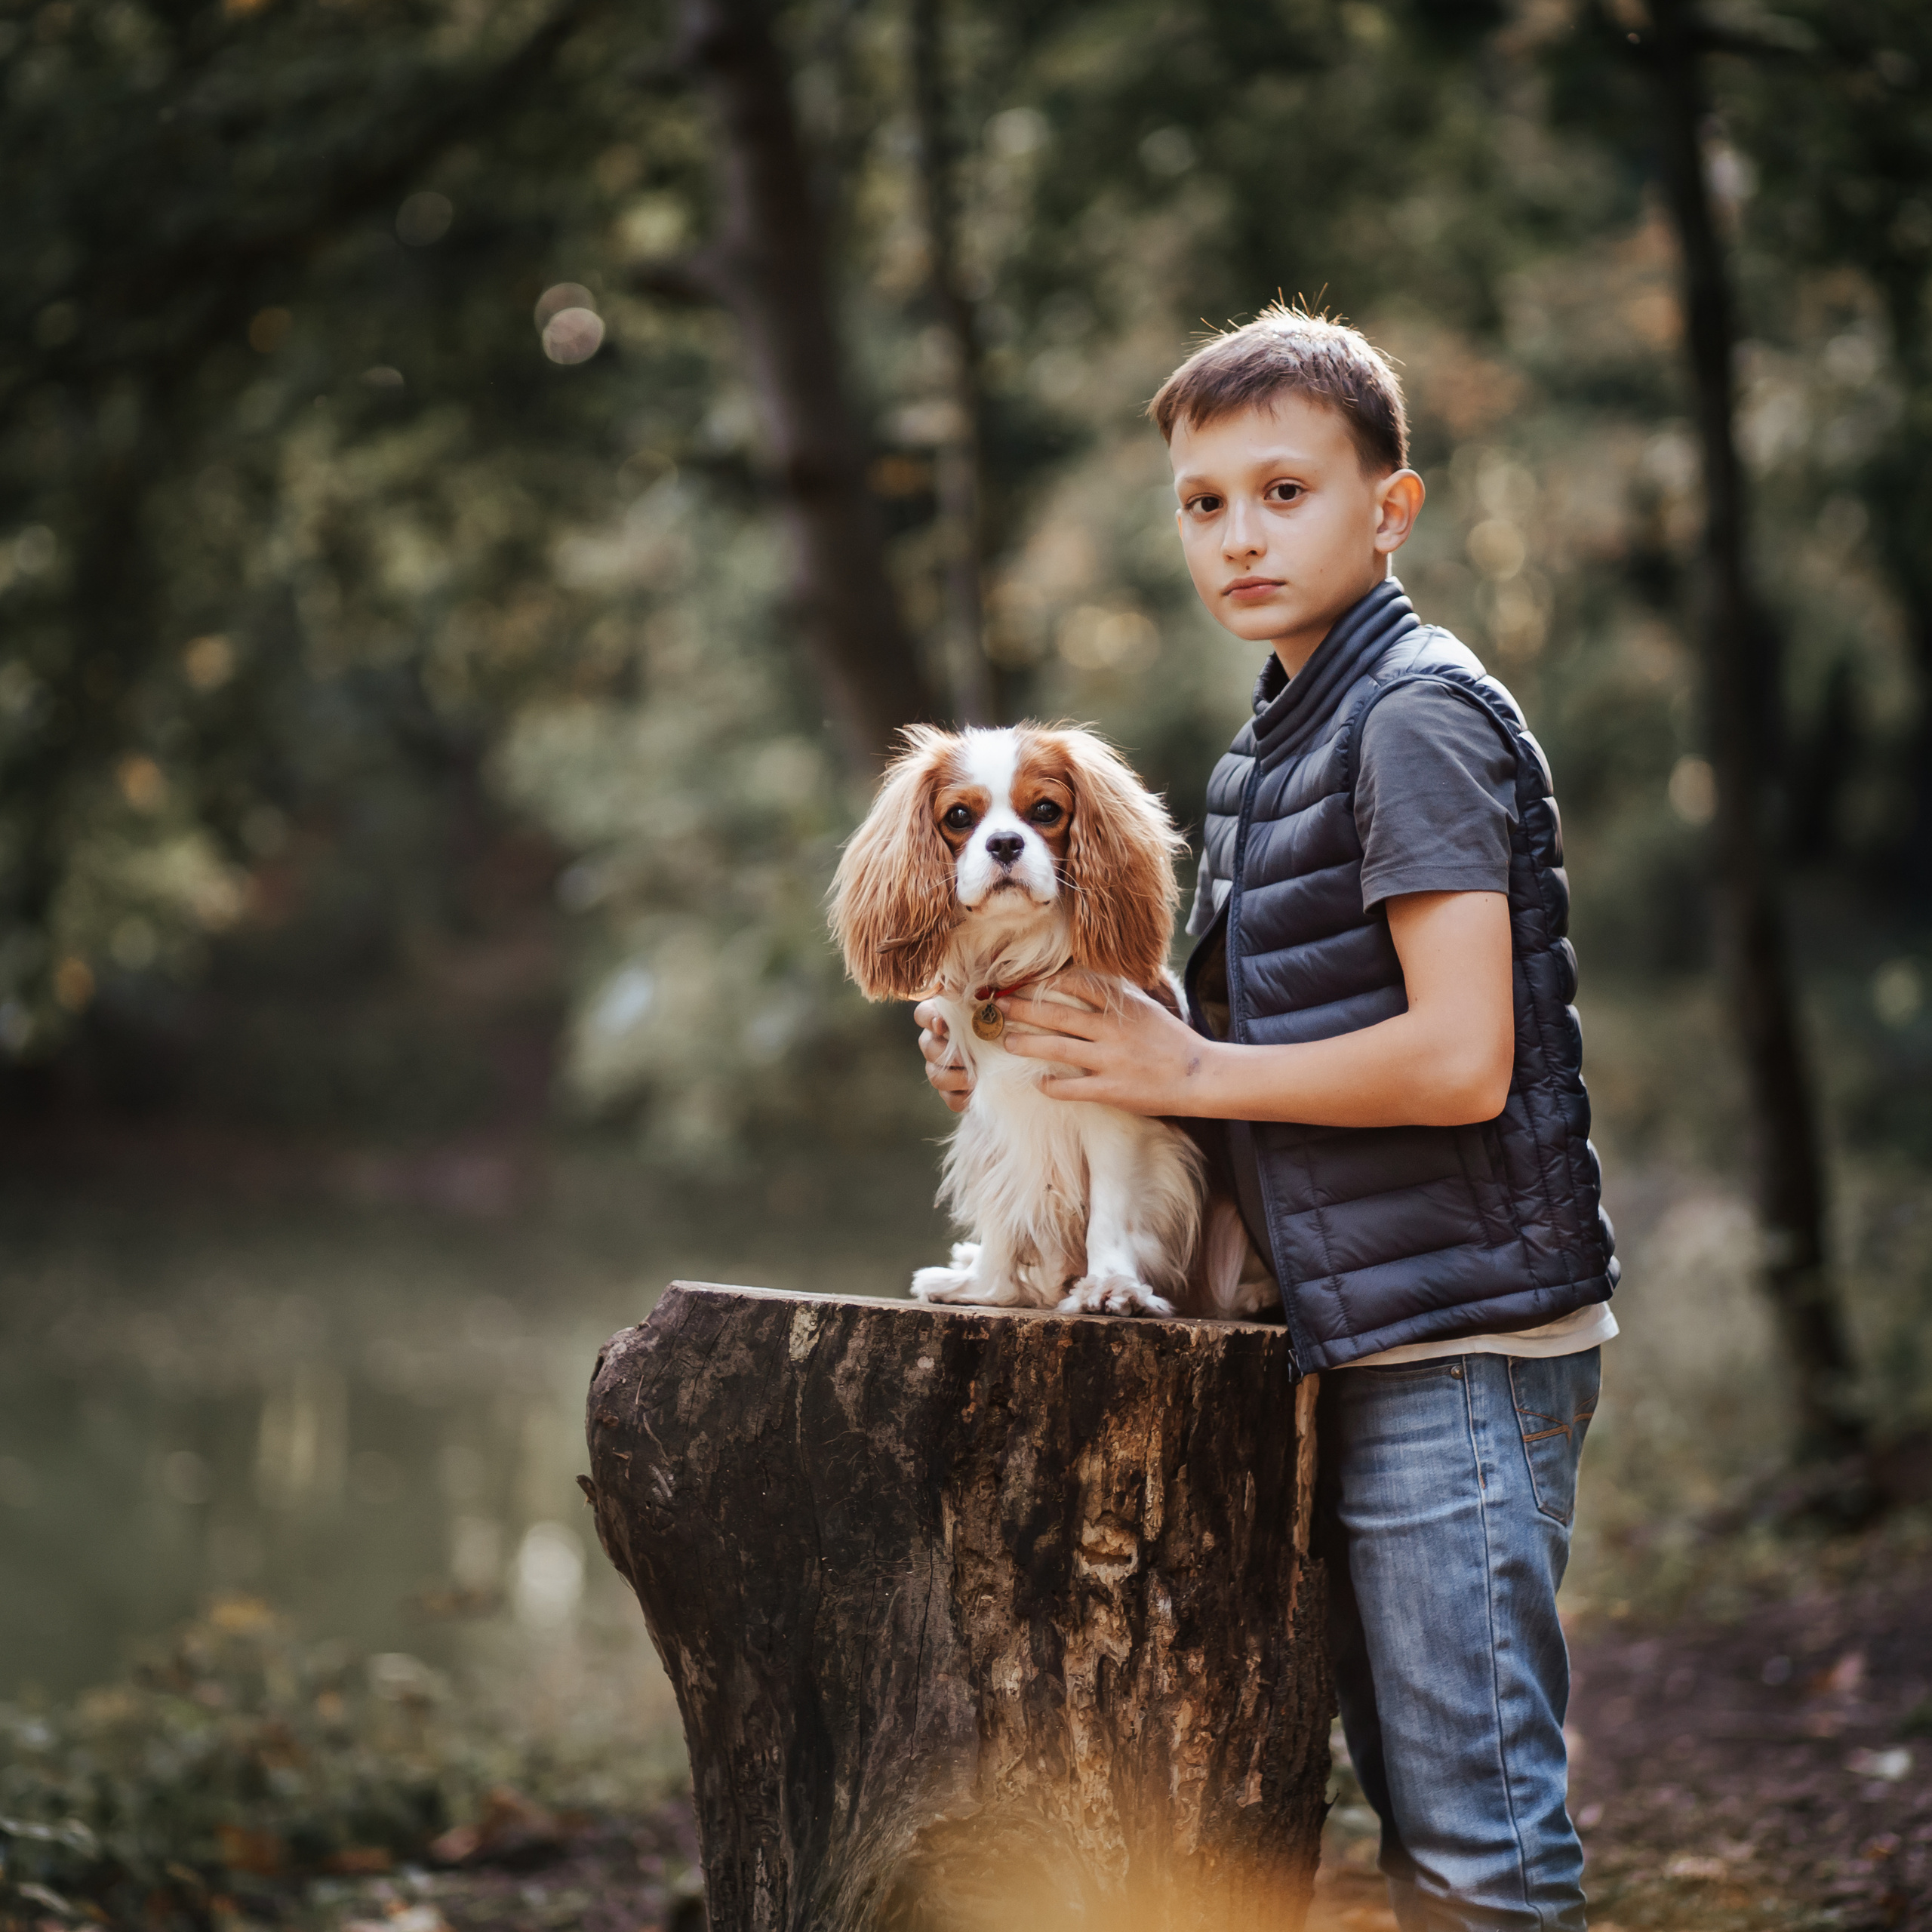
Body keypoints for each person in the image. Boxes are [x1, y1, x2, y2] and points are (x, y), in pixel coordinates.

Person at [915, 303, 1617, 1931]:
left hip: (1461, 1340)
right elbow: (1263, 1036)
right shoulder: (1280, 735)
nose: (1237, 534)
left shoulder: (1411, 718)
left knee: (1479, 1849)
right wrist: (1034, 1049)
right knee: (1416, 1819)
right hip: (1360, 1329)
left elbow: (1457, 1062)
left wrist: (1187, 1076)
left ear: (1391, 505)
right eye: (1202, 500)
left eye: (1284, 491)